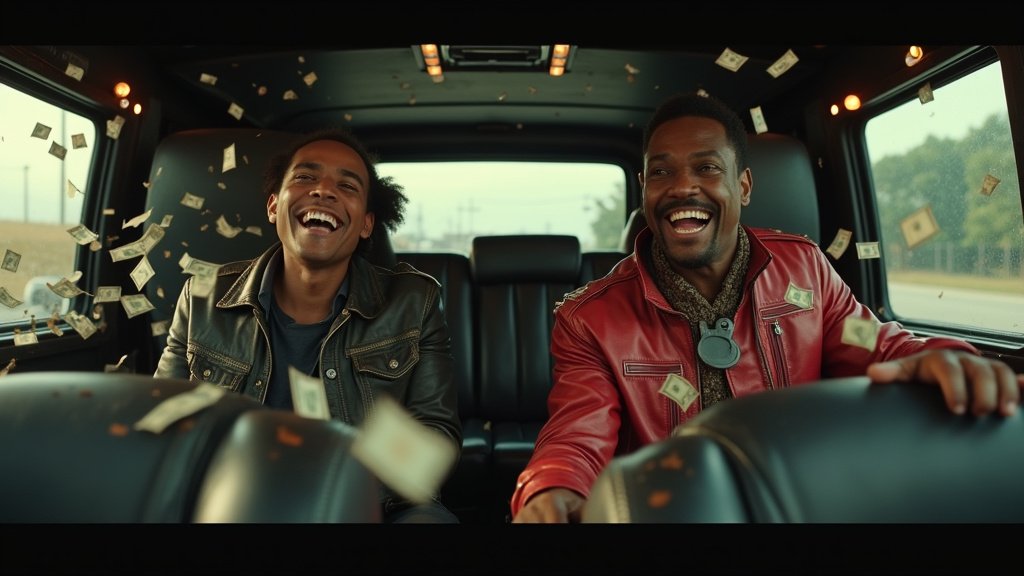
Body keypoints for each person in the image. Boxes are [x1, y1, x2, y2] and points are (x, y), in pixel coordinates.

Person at [510, 92, 1024, 523]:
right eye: (661, 172)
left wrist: (943, 358)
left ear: (743, 186)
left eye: (707, 168)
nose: (682, 186)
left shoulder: (806, 272)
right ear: (644, 191)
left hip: (797, 502)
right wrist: (551, 489)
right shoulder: (589, 319)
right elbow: (576, 435)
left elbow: (872, 342)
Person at [154, 128, 462, 523]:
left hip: (379, 506)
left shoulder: (414, 302)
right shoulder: (202, 298)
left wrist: (336, 471)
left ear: (367, 224)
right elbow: (163, 423)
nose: (323, 191)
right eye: (305, 177)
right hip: (233, 499)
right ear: (273, 206)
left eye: (347, 185)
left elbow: (434, 439)